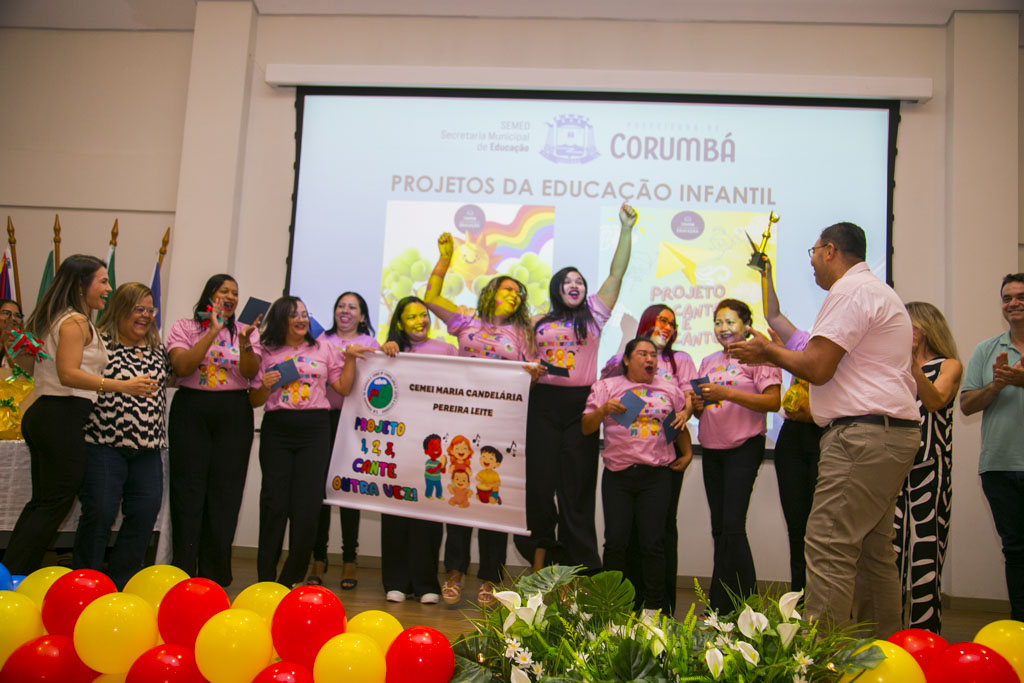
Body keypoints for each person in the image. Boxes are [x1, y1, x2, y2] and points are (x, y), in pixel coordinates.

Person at [728, 222, 920, 638]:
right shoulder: (878, 292)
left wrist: (766, 352)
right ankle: (884, 654)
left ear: (830, 250)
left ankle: (819, 660)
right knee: (872, 552)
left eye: (813, 251)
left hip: (862, 436)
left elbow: (816, 366)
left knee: (828, 544)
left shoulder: (849, 292)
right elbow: (791, 331)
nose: (812, 261)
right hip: (889, 434)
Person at [3, 255, 158, 575]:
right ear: (80, 285)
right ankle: (14, 574)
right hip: (60, 415)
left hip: (48, 414)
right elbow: (67, 374)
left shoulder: (59, 318)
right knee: (52, 505)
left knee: (44, 504)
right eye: (102, 281)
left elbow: (36, 368)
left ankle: (12, 572)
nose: (108, 287)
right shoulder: (74, 322)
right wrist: (122, 386)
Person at [517, 202, 637, 574]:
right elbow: (519, 361)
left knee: (577, 489)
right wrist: (529, 371)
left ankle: (580, 566)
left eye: (579, 282)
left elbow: (617, 274)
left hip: (580, 407)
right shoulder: (537, 321)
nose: (574, 285)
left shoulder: (594, 317)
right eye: (567, 281)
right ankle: (540, 556)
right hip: (542, 404)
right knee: (538, 486)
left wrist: (626, 229)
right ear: (557, 289)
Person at [424, 231, 542, 606]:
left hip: (504, 425)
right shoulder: (464, 322)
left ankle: (490, 577)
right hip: (463, 421)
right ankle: (455, 571)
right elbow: (429, 298)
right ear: (490, 291)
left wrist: (534, 374)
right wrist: (445, 258)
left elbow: (532, 371)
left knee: (494, 496)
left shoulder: (523, 332)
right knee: (460, 493)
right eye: (506, 290)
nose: (513, 296)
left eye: (518, 295)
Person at [249, 296, 366, 588]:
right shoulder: (266, 350)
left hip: (315, 429)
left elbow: (342, 387)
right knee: (274, 503)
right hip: (277, 429)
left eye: (304, 314)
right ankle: (265, 578)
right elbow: (254, 401)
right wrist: (264, 387)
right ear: (280, 320)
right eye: (293, 315)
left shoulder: (323, 346)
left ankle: (291, 577)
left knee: (307, 505)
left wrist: (349, 357)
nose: (301, 319)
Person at [582, 337, 693, 614]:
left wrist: (688, 454)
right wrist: (604, 410)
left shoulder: (669, 390)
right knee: (616, 543)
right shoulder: (607, 387)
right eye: (642, 354)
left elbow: (679, 426)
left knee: (653, 544)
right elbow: (586, 427)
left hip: (656, 477)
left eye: (653, 355)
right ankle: (612, 605)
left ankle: (654, 609)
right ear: (627, 360)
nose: (650, 359)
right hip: (618, 476)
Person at [166, 274, 261, 586]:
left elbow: (250, 373)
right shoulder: (185, 327)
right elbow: (182, 367)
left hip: (233, 413)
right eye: (224, 290)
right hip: (191, 410)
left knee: (225, 495)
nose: (231, 296)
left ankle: (214, 575)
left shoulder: (247, 332)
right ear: (210, 295)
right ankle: (182, 570)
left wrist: (245, 341)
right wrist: (212, 331)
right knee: (188, 492)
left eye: (235, 291)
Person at [74, 282, 171, 588]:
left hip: (148, 449)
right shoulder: (98, 345)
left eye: (149, 310)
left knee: (144, 513)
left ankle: (121, 583)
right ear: (120, 309)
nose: (144, 316)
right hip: (104, 444)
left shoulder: (158, 350)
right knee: (100, 512)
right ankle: (86, 581)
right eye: (137, 309)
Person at [689, 298, 781, 613]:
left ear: (745, 325)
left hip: (744, 447)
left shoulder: (759, 357)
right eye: (718, 322)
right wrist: (699, 407)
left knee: (732, 526)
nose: (723, 328)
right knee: (719, 528)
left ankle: (745, 604)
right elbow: (707, 413)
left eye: (730, 322)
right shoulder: (709, 362)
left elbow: (772, 401)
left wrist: (727, 393)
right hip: (712, 448)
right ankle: (721, 605)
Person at [377, 296, 457, 603]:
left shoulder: (447, 349)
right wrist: (382, 355)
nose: (420, 321)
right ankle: (396, 581)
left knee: (428, 509)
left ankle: (426, 583)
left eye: (423, 315)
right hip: (396, 440)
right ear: (399, 323)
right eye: (411, 317)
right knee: (395, 509)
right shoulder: (388, 352)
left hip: (433, 442)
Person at [891, 301, 961, 631]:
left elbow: (935, 400)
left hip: (930, 474)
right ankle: (887, 636)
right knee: (889, 560)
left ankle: (925, 639)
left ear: (924, 329)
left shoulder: (949, 365)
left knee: (926, 558)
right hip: (892, 473)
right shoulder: (893, 367)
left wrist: (911, 366)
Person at [960, 272, 1024, 621]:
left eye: (1020, 296)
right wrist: (997, 385)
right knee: (1015, 551)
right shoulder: (988, 349)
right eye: (1007, 297)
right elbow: (967, 405)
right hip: (999, 466)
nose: (1013, 303)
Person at [309, 292, 379, 589]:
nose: (345, 311)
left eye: (352, 307)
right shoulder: (318, 341)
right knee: (320, 491)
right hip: (323, 420)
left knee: (350, 489)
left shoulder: (372, 345)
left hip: (357, 423)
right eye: (340, 306)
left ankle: (349, 559)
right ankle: (318, 559)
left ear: (362, 316)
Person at [761, 259, 822, 593]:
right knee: (797, 527)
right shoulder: (806, 343)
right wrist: (766, 275)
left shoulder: (846, 350)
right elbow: (774, 315)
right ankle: (800, 601)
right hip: (793, 441)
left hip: (828, 437)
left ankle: (826, 604)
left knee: (823, 529)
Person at [0, 299, 31, 373]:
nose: (13, 318)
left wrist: (7, 348)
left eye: (17, 315)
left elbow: (23, 376)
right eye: (6, 313)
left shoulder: (25, 345)